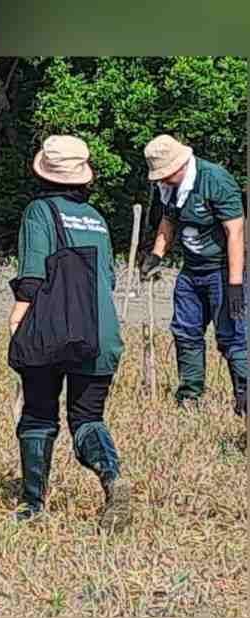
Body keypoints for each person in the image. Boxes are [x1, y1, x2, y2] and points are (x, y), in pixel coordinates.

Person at [8, 135, 129, 530]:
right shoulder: (96, 217)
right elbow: (108, 278)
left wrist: (19, 321)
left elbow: (32, 275)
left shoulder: (39, 211)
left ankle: (32, 507)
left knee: (39, 414)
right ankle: (112, 478)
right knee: (88, 417)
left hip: (54, 327)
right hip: (102, 330)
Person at [139, 134, 246, 415]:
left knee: (233, 337)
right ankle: (190, 396)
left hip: (224, 270)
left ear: (180, 164)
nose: (161, 180)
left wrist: (235, 285)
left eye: (165, 174)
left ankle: (244, 401)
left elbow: (235, 232)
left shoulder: (216, 180)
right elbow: (169, 219)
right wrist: (156, 254)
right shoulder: (169, 188)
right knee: (185, 332)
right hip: (191, 271)